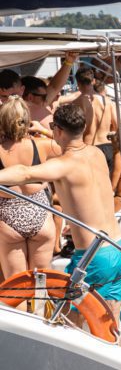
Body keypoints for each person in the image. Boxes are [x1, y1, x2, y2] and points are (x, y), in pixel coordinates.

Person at [0, 103, 121, 322]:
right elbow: (73, 143)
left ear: (59, 130)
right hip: (118, 248)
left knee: (71, 323)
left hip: (92, 257)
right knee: (110, 319)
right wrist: (48, 132)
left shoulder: (63, 164)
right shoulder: (96, 153)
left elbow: (24, 173)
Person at [0, 97, 55, 277]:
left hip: (7, 218)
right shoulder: (42, 145)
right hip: (39, 214)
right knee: (40, 285)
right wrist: (44, 131)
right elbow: (74, 146)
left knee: (17, 289)